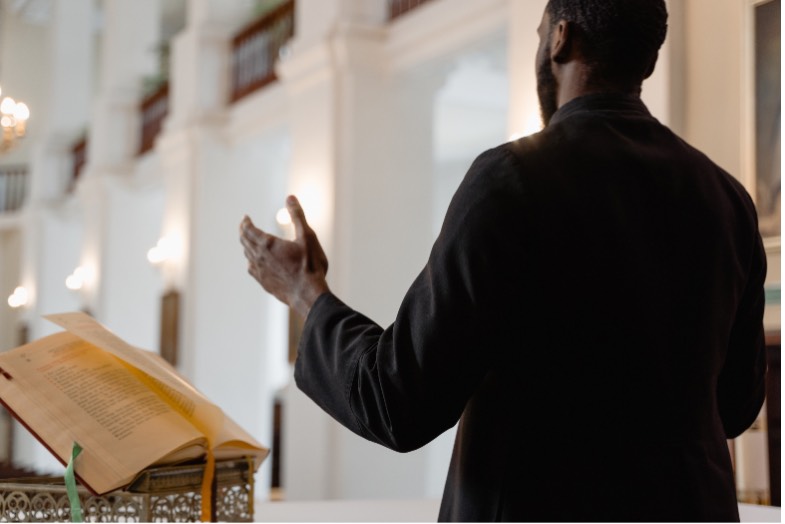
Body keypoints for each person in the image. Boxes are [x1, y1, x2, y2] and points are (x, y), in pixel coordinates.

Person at [240, 0, 768, 520]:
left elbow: (398, 401)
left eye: (540, 34)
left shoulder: (513, 181)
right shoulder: (727, 199)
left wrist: (303, 291)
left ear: (561, 38)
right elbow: (737, 405)